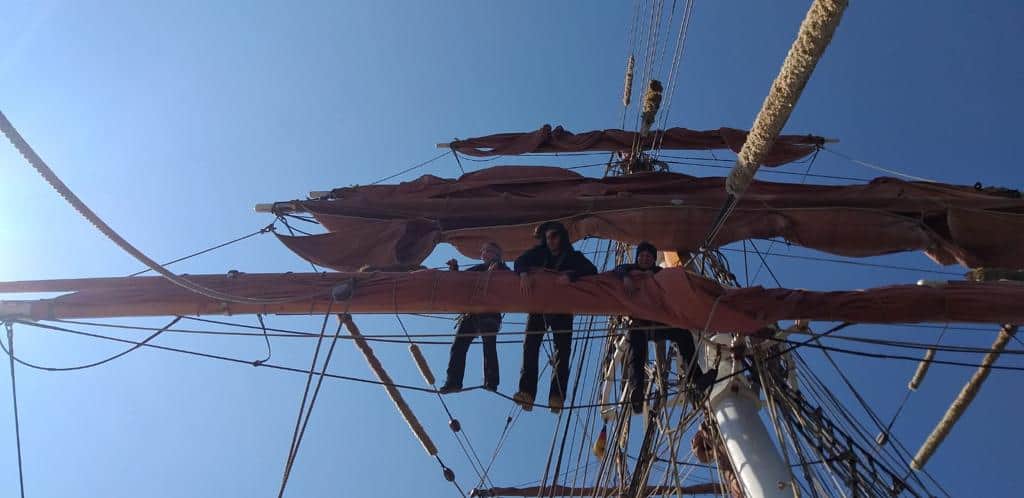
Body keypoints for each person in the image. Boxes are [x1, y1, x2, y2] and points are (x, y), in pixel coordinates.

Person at [611, 241, 717, 413]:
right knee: (635, 345)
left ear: (654, 260)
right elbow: (617, 270)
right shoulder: (629, 269)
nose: (645, 258)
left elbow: (675, 279)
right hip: (640, 324)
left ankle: (696, 378)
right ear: (637, 257)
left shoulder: (660, 272)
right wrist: (626, 278)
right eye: (642, 255)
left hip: (660, 323)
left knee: (683, 334)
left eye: (649, 256)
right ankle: (636, 390)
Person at [513, 221, 597, 413]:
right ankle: (527, 392)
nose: (550, 240)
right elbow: (520, 262)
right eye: (548, 237)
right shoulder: (538, 253)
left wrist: (571, 276)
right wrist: (523, 274)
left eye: (554, 236)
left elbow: (591, 271)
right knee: (530, 345)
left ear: (562, 237)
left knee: (563, 350)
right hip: (539, 306)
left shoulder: (573, 257)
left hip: (562, 307)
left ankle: (557, 395)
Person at [438, 242, 510, 394]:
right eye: (483, 251)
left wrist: (498, 271)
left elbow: (510, 281)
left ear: (497, 254)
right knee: (458, 345)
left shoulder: (503, 269)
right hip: (472, 313)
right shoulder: (478, 269)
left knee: (488, 345)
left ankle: (491, 381)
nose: (484, 253)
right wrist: (454, 269)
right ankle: (453, 382)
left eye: (488, 251)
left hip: (489, 312)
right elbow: (462, 279)